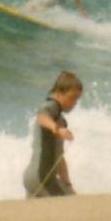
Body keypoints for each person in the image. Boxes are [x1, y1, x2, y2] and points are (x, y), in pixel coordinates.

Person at [23, 70, 82, 199]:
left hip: (32, 177)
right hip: (42, 177)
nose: (74, 103)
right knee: (72, 205)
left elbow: (59, 158)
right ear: (59, 92)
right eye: (72, 98)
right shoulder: (52, 106)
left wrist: (67, 184)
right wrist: (57, 130)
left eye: (77, 99)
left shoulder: (60, 119)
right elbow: (41, 117)